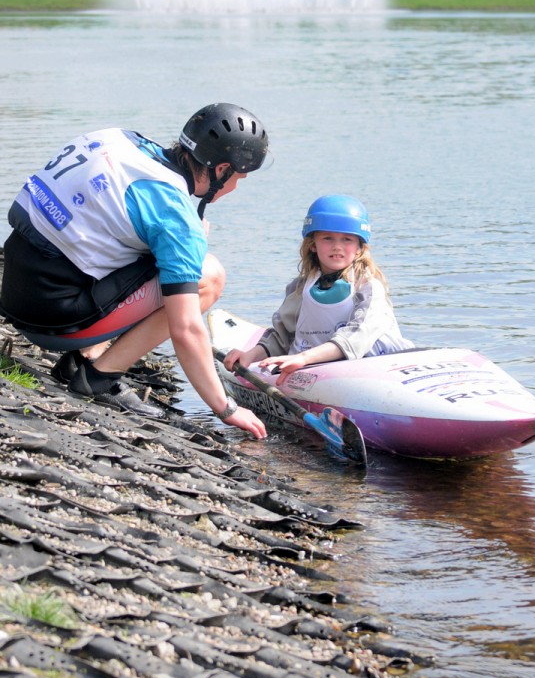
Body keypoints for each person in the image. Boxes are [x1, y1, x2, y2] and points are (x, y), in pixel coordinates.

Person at [0, 102, 268, 438]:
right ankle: (98, 377)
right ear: (222, 169)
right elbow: (185, 328)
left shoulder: (117, 139)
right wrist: (225, 408)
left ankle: (84, 355)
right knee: (208, 276)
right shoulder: (174, 215)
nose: (236, 187)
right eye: (239, 178)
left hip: (15, 291)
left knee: (146, 245)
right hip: (50, 323)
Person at [224, 195, 414, 384]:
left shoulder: (369, 287)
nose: (337, 247)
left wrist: (303, 358)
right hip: (317, 372)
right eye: (327, 238)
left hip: (375, 370)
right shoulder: (299, 289)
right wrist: (250, 355)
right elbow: (282, 338)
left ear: (359, 248)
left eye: (347, 239)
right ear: (313, 245)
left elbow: (358, 335)